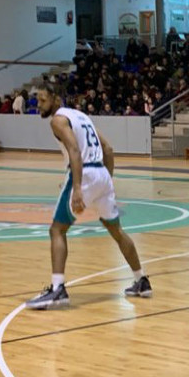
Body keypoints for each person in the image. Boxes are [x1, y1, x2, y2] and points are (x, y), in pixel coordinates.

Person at [25, 83, 151, 309]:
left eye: (42, 100)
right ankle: (141, 279)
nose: (38, 105)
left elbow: (74, 150)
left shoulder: (58, 120)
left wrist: (78, 188)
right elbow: (108, 148)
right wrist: (107, 183)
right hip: (101, 173)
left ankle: (57, 289)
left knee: (57, 230)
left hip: (85, 174)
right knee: (116, 230)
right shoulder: (81, 116)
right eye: (37, 101)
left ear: (56, 99)